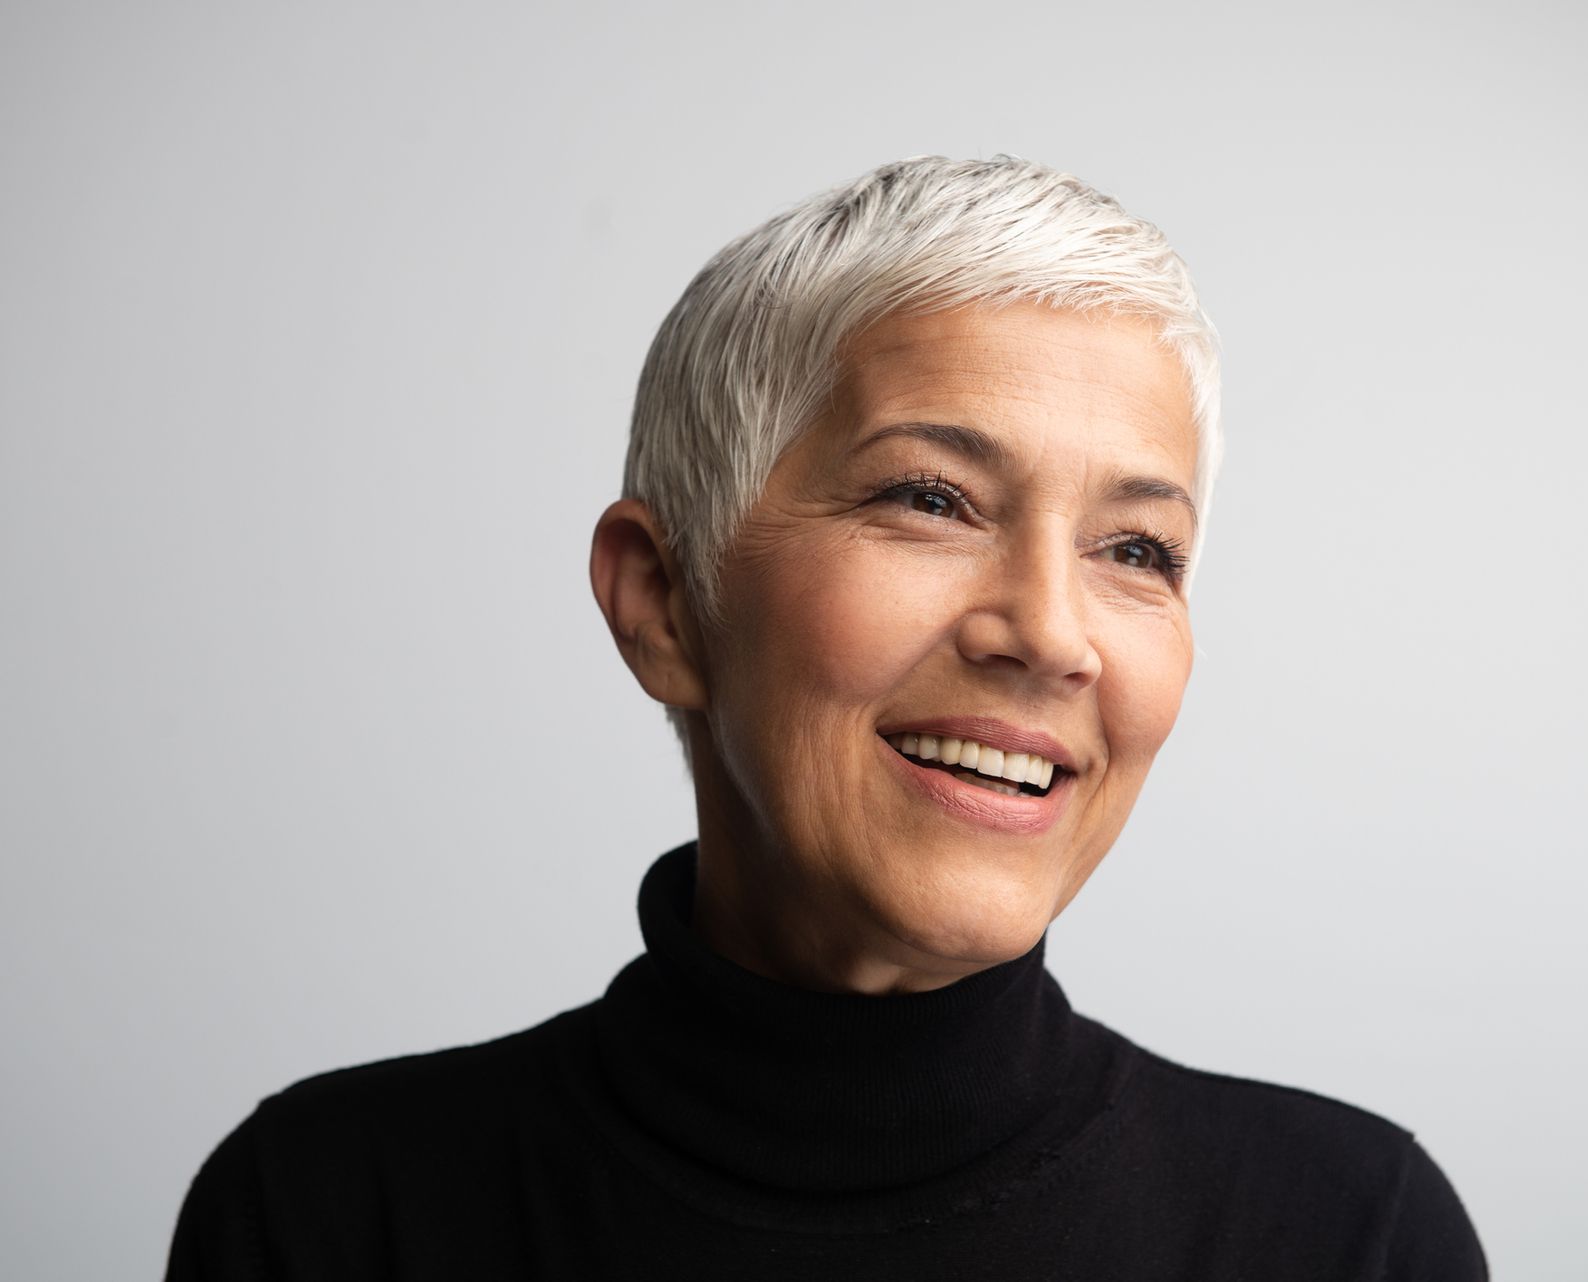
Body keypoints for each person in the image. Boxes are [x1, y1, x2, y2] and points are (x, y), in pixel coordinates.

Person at [165, 155, 1488, 1280]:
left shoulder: (1348, 1235)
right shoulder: (325, 1215)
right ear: (665, 602)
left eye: (1137, 549)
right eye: (929, 499)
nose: (1049, 632)